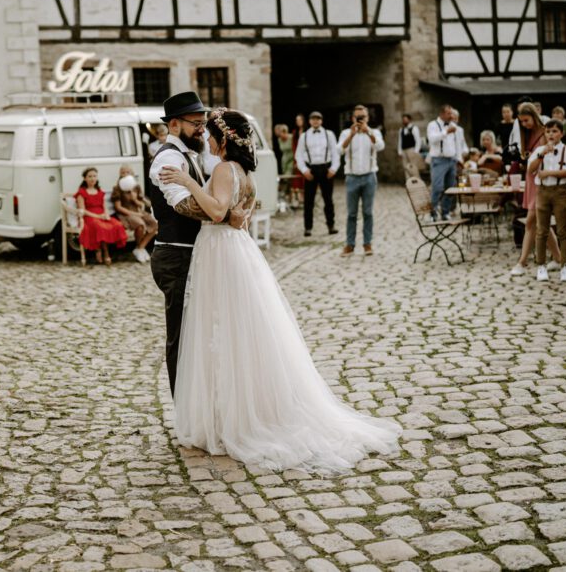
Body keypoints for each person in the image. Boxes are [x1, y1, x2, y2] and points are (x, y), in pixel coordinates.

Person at [158, 108, 401, 472]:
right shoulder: (245, 172)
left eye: (211, 134)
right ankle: (239, 409)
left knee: (223, 330)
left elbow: (218, 211)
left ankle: (232, 419)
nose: (206, 139)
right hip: (235, 250)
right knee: (239, 331)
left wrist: (188, 182)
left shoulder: (223, 169)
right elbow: (240, 214)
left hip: (220, 252)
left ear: (224, 140)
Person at [149, 91, 247, 396]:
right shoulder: (168, 158)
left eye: (203, 124)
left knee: (200, 335)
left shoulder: (189, 155)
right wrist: (225, 214)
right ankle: (183, 407)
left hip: (195, 253)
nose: (202, 130)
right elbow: (184, 206)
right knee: (181, 338)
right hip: (175, 255)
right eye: (196, 124)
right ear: (174, 124)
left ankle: (202, 401)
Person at [511, 103, 562, 275]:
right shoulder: (526, 135)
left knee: (531, 222)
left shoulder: (545, 132)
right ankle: (558, 258)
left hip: (542, 181)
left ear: (534, 116)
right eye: (521, 121)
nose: (524, 124)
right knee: (541, 222)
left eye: (526, 120)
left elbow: (552, 157)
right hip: (531, 179)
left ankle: (522, 262)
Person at [527, 119, 566, 283]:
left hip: (560, 191)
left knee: (563, 230)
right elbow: (530, 169)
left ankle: (565, 266)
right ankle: (541, 266)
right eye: (548, 131)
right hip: (542, 192)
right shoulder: (539, 150)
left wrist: (549, 173)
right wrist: (541, 154)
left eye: (554, 131)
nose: (551, 134)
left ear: (561, 134)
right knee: (541, 230)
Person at [338, 105, 384, 256]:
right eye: (357, 117)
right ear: (353, 118)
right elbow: (339, 150)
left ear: (367, 118)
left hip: (369, 176)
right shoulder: (345, 133)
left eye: (362, 117)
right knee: (351, 213)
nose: (360, 119)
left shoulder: (374, 132)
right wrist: (351, 135)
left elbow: (380, 146)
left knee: (368, 212)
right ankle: (350, 245)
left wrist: (368, 132)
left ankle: (367, 244)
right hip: (352, 177)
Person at [294, 111, 340, 236]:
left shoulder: (329, 134)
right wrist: (304, 170)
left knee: (328, 200)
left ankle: (331, 225)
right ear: (309, 121)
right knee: (308, 201)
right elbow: (298, 155)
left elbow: (335, 153)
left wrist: (333, 169)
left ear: (321, 121)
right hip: (311, 170)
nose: (315, 121)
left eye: (318, 119)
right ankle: (308, 228)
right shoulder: (304, 136)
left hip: (326, 169)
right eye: (313, 119)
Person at [74, 167, 127, 266]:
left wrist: (106, 215)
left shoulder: (99, 191)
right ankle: (104, 252)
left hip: (101, 216)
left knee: (118, 224)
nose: (92, 178)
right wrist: (98, 216)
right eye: (90, 176)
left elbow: (104, 206)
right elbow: (83, 210)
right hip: (89, 217)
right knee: (100, 227)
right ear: (85, 178)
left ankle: (110, 251)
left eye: (94, 176)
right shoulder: (81, 192)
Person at [426, 104, 468, 221]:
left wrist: (459, 160)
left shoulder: (453, 126)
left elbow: (457, 144)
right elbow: (432, 139)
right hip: (439, 160)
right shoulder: (433, 125)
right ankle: (433, 213)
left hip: (452, 160)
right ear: (442, 114)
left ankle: (445, 212)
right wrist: (446, 131)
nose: (451, 116)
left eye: (452, 113)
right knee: (437, 187)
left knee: (451, 188)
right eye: (449, 113)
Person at [112, 164, 157, 264]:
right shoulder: (117, 188)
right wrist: (135, 214)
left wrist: (135, 199)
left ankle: (140, 247)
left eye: (127, 172)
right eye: (123, 172)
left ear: (132, 174)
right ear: (120, 174)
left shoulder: (136, 187)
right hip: (126, 213)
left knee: (154, 224)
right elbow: (118, 207)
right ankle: (140, 249)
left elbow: (142, 204)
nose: (125, 174)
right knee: (140, 224)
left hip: (138, 211)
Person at [397, 112, 424, 179]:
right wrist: (399, 151)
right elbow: (400, 141)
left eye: (405, 119)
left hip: (411, 149)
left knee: (414, 167)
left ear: (409, 120)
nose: (404, 121)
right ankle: (408, 181)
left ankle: (417, 180)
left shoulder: (414, 128)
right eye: (403, 120)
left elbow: (418, 140)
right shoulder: (401, 129)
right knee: (405, 167)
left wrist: (416, 151)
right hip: (404, 150)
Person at [289, 113, 307, 208]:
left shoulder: (307, 132)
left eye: (299, 120)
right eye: (297, 120)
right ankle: (299, 199)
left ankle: (306, 198)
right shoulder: (295, 132)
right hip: (298, 157)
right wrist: (296, 160)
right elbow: (294, 147)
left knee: (305, 178)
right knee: (298, 179)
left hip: (307, 158)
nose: (298, 122)